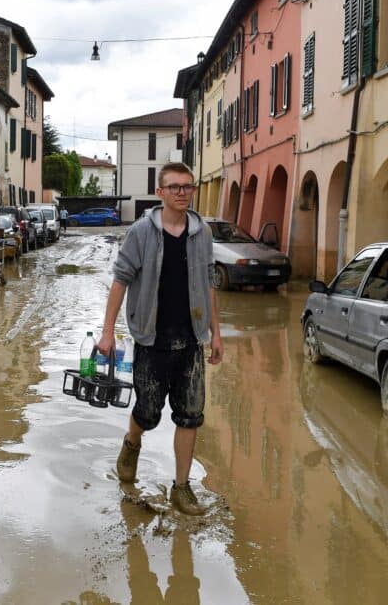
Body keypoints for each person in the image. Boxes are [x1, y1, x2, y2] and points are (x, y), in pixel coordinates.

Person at [97, 162, 223, 516]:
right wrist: (108, 332)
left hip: (192, 340)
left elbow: (210, 283)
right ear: (160, 192)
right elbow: (121, 280)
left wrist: (217, 334)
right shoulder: (140, 232)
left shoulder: (203, 234)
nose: (182, 192)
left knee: (190, 415)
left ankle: (181, 488)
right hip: (152, 339)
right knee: (148, 412)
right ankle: (131, 443)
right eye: (175, 186)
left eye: (188, 186)